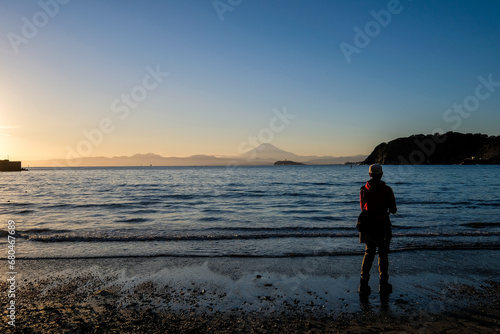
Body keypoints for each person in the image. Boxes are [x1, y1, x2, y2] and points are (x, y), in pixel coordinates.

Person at [358, 164, 397, 295]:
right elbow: (393, 209)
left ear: (370, 174)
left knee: (369, 253)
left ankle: (363, 283)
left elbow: (362, 207)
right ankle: (383, 283)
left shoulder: (364, 189)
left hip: (368, 225)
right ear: (381, 174)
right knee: (383, 254)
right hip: (383, 225)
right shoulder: (387, 189)